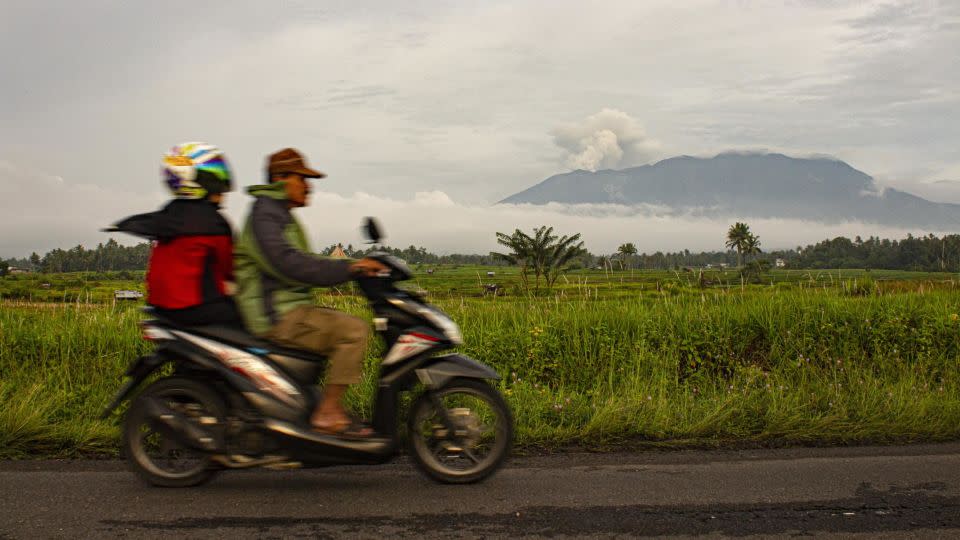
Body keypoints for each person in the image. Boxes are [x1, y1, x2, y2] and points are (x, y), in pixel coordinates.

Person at [234, 148, 387, 438]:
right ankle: (328, 413)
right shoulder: (266, 216)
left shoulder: (277, 214)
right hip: (276, 314)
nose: (308, 185)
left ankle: (313, 407)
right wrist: (349, 268)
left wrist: (350, 268)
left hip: (288, 307)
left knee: (337, 322)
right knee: (353, 330)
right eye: (302, 178)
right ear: (280, 179)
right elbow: (290, 263)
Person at [109, 142, 241, 327]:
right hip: (195, 308)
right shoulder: (214, 223)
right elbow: (231, 269)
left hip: (160, 306)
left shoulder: (168, 213)